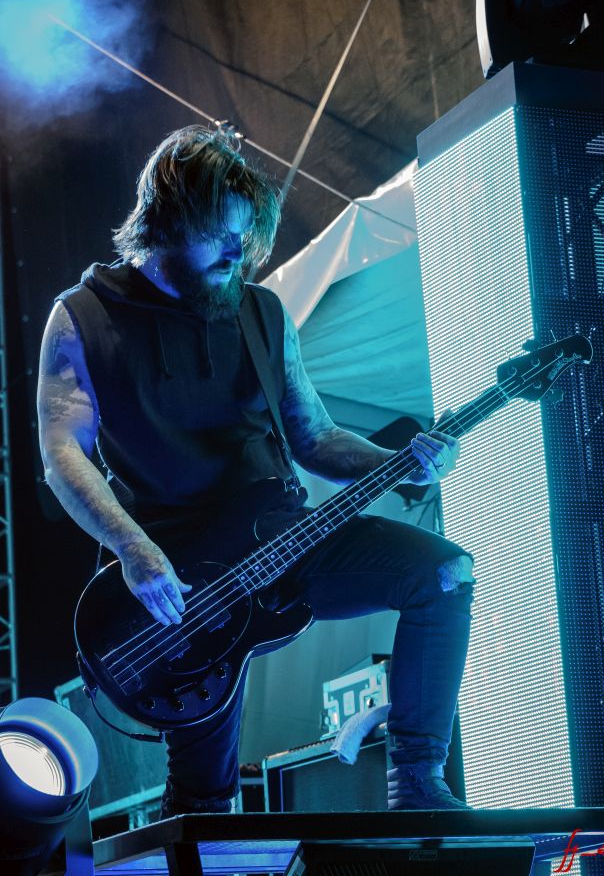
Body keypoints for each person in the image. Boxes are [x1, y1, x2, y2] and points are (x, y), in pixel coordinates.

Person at [37, 125, 476, 816]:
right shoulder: (84, 317)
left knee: (444, 574)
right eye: (221, 236)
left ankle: (418, 781)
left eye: (246, 238)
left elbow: (315, 436)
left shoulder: (261, 312)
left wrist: (399, 464)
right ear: (167, 222)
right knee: (205, 801)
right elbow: (63, 453)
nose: (238, 254)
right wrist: (133, 549)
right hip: (183, 583)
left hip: (283, 536)